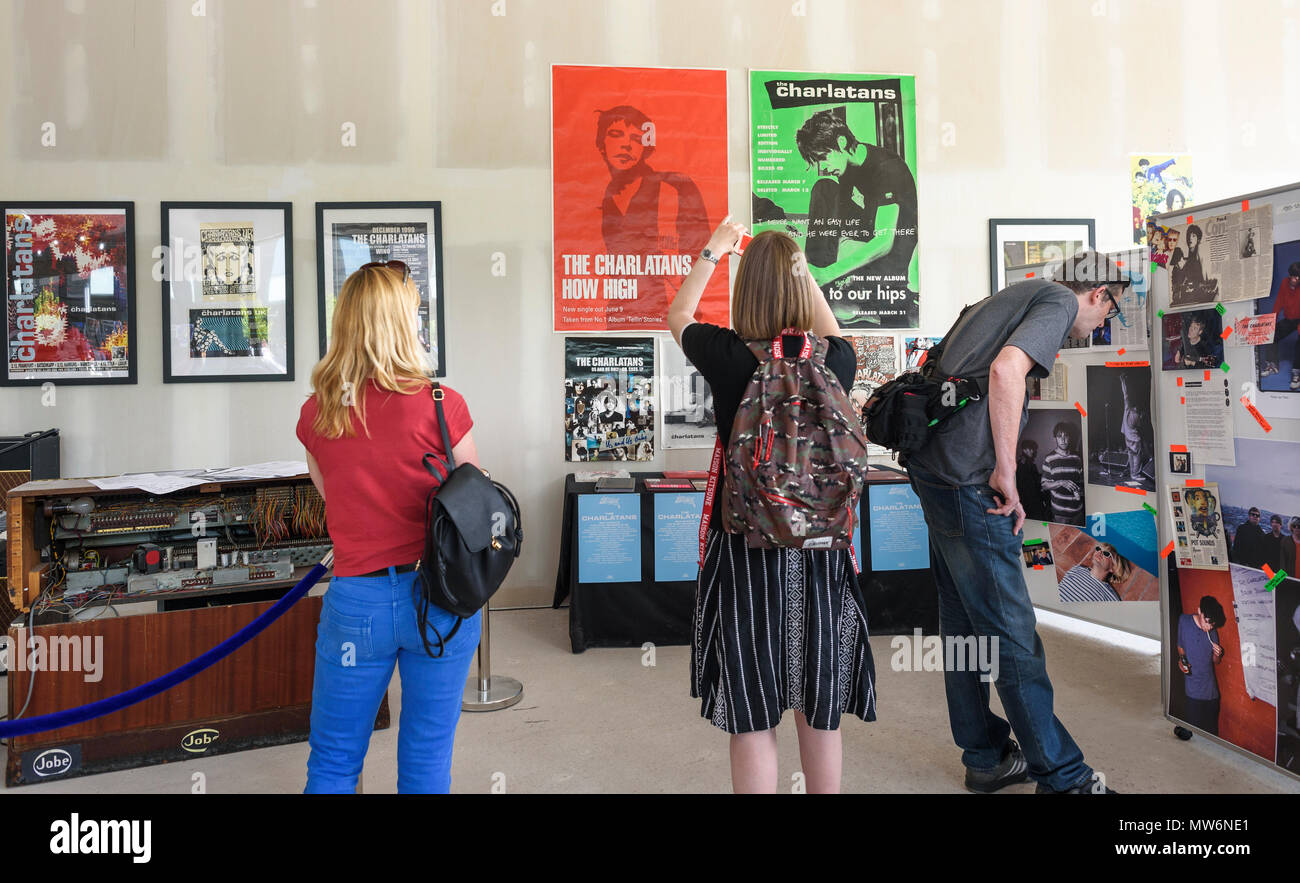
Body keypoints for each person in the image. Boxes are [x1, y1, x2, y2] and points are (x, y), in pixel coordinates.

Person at [904, 249, 1125, 794]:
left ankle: (985, 756)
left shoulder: (1005, 297)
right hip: (969, 482)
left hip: (935, 472)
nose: (1101, 324)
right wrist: (1006, 470)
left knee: (962, 624)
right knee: (1010, 632)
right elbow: (1007, 372)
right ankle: (1064, 778)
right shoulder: (1053, 300)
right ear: (1098, 293)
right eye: (1110, 311)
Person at [667, 218, 876, 794]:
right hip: (822, 549)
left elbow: (677, 316)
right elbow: (834, 330)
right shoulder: (835, 359)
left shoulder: (729, 356)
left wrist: (715, 249)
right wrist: (800, 266)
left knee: (753, 706)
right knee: (818, 699)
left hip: (745, 545)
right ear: (800, 285)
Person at [295, 261, 482, 794]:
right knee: (426, 757)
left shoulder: (319, 414)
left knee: (333, 759)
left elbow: (338, 501)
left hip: (357, 603)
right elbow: (472, 505)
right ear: (404, 322)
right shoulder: (444, 406)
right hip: (440, 602)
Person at [794, 108, 919, 325]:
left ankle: (822, 281)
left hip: (895, 248)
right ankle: (814, 279)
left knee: (825, 187)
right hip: (868, 231)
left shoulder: (888, 168)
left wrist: (831, 272)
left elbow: (884, 241)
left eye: (823, 157)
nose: (822, 167)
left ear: (841, 142)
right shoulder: (848, 168)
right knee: (823, 187)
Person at [596, 105, 711, 319]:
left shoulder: (676, 187)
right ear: (601, 144)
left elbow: (701, 256)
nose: (626, 145)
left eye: (636, 138)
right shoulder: (603, 198)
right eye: (615, 135)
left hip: (673, 321)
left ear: (646, 146)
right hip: (619, 319)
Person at [1177, 597, 1226, 736]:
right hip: (1192, 692)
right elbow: (1180, 645)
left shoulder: (1212, 633)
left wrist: (1218, 654)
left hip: (1211, 694)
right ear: (1199, 611)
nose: (1209, 627)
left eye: (1212, 625)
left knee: (1211, 735)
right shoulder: (1184, 621)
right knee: (1191, 734)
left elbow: (1216, 661)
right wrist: (1182, 660)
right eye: (1207, 622)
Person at [1263, 262, 1300, 391]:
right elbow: (1279, 301)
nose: (1297, 280)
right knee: (1271, 334)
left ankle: (1297, 373)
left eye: (1299, 277)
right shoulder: (1285, 283)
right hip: (1290, 319)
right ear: (1290, 275)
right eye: (1295, 277)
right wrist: (1272, 319)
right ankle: (1272, 365)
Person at [1040, 421, 1084, 526]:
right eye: (1059, 436)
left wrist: (1080, 491)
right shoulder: (1049, 459)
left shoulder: (1077, 458)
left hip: (1078, 512)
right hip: (1060, 515)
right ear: (1055, 438)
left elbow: (1081, 482)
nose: (1063, 440)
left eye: (1066, 436)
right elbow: (1044, 485)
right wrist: (1061, 482)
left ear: (1070, 437)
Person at [1057, 542, 1130, 602]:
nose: (1099, 552)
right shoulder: (1077, 569)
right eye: (1098, 549)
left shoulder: (1111, 598)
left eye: (1106, 553)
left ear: (1113, 568)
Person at [1015, 438, 1049, 521]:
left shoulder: (1028, 464)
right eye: (1030, 449)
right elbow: (1027, 485)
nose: (1032, 451)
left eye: (1033, 449)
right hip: (1029, 500)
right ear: (1024, 450)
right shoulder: (1022, 465)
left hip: (1031, 499)